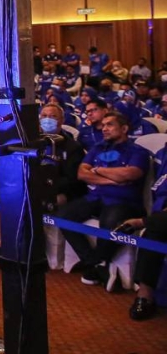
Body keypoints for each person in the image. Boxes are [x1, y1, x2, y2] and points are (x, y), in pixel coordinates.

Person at [56, 110, 149, 289]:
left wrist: (97, 170)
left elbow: (131, 173)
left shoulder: (137, 151)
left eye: (110, 125)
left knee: (111, 224)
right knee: (63, 216)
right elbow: (82, 174)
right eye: (103, 125)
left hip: (124, 200)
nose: (104, 129)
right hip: (96, 196)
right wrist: (113, 179)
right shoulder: (98, 148)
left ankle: (96, 263)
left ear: (124, 128)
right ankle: (95, 262)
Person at [117, 141, 167, 321]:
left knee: (153, 225)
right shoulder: (163, 153)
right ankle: (145, 296)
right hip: (161, 218)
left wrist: (144, 221)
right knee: (153, 234)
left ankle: (142, 222)